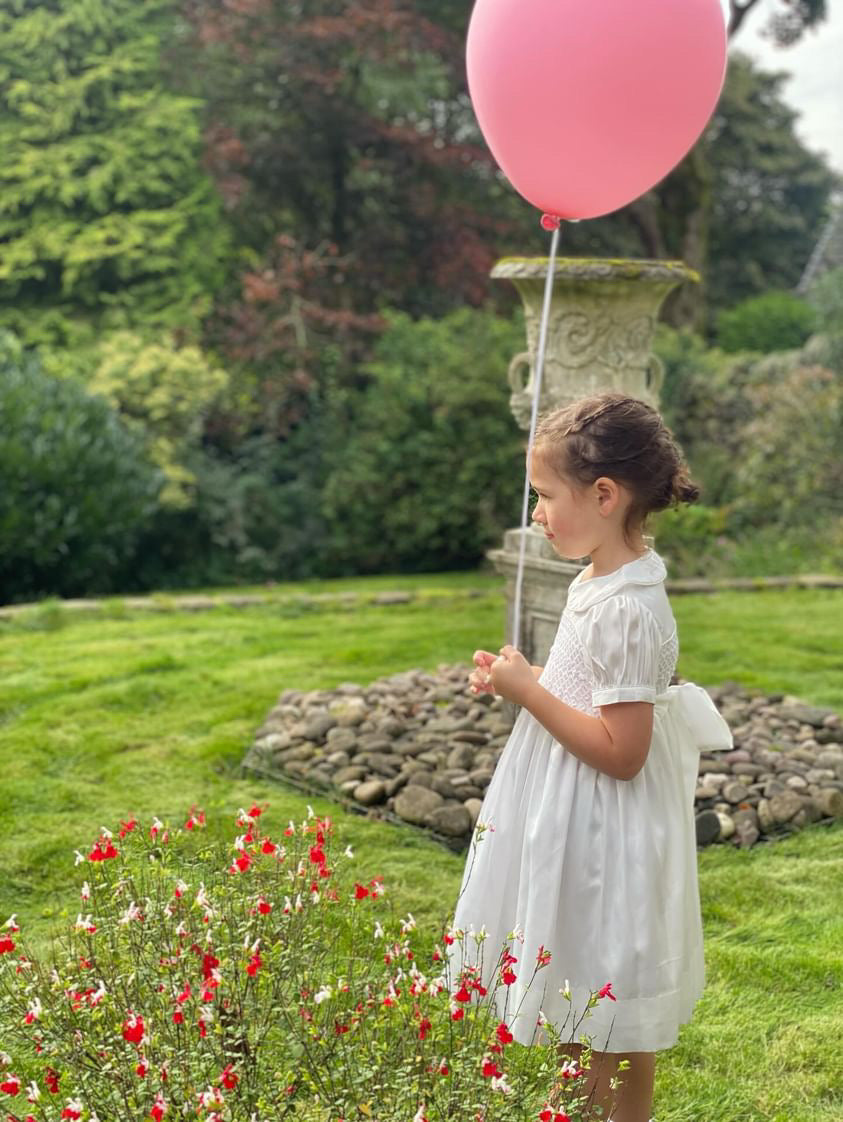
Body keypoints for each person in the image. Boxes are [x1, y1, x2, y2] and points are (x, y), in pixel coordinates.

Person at [448, 392, 733, 1122]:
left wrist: (526, 693)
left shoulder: (627, 609)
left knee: (612, 1018)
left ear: (604, 496)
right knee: (578, 1002)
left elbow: (621, 751)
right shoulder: (602, 581)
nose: (536, 514)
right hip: (579, 827)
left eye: (544, 497)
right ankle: (572, 1110)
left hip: (608, 838)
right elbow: (593, 694)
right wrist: (530, 679)